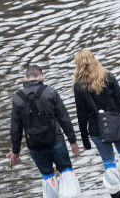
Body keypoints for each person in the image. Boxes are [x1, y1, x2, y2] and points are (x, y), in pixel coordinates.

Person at [72, 49, 120, 198]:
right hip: (117, 125)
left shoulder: (79, 87)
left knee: (109, 164)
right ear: (93, 59)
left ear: (78, 65)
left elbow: (81, 115)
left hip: (97, 130)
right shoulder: (108, 77)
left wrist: (84, 139)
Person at [8, 65, 81, 198]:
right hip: (56, 141)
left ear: (25, 78)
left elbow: (15, 128)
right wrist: (73, 141)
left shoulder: (17, 98)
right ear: (41, 77)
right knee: (66, 170)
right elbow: (64, 118)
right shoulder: (50, 92)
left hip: (35, 145)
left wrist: (15, 150)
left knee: (47, 176)